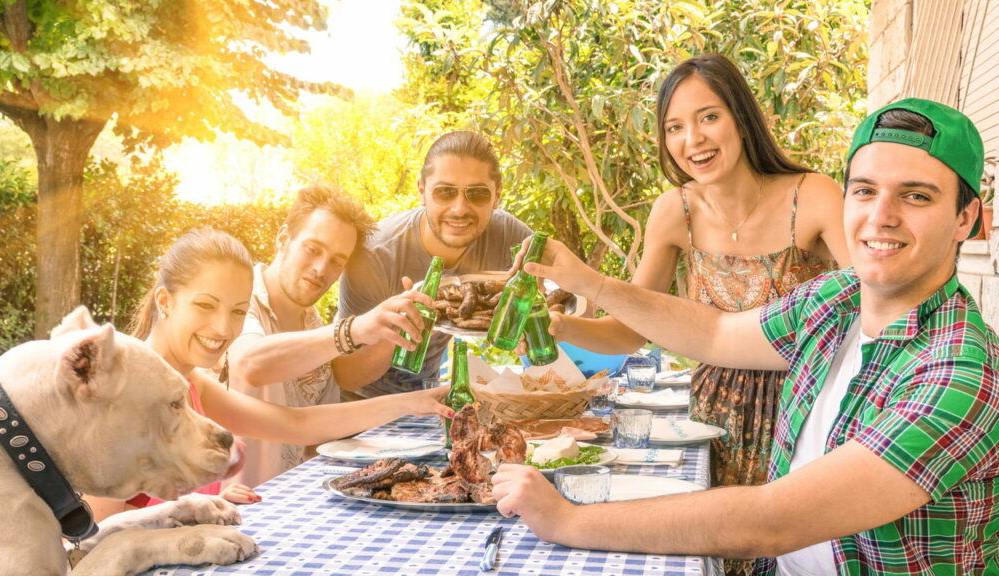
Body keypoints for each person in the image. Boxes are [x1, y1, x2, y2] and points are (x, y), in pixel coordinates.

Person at [492, 98, 998, 574]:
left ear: (965, 218)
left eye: (915, 196)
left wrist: (567, 520)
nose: (881, 216)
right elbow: (714, 333)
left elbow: (770, 521)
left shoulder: (960, 369)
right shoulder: (838, 299)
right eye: (865, 190)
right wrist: (591, 283)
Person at [552, 54, 849, 505]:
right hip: (713, 418)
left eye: (709, 117)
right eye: (674, 127)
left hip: (806, 408)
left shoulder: (813, 196)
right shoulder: (675, 212)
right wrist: (561, 327)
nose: (693, 140)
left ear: (742, 119)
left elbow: (869, 301)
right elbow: (633, 331)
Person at [86, 227, 449, 521]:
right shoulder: (119, 391)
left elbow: (296, 425)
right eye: (205, 305)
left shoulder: (189, 383)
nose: (222, 327)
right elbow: (93, 538)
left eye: (237, 311)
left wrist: (414, 401)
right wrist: (190, 510)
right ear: (165, 302)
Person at [225, 185, 436, 486]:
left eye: (337, 261)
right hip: (232, 510)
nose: (321, 269)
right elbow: (251, 365)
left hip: (292, 504)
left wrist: (398, 330)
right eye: (313, 249)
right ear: (284, 239)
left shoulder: (311, 323)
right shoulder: (237, 300)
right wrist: (357, 329)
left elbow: (315, 435)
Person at [335, 131, 532, 399]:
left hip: (427, 394)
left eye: (477, 194)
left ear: (497, 196)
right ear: (421, 191)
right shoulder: (375, 254)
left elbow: (575, 302)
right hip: (359, 404)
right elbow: (346, 377)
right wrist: (396, 329)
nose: (459, 209)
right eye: (444, 192)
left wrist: (534, 320)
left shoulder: (509, 236)